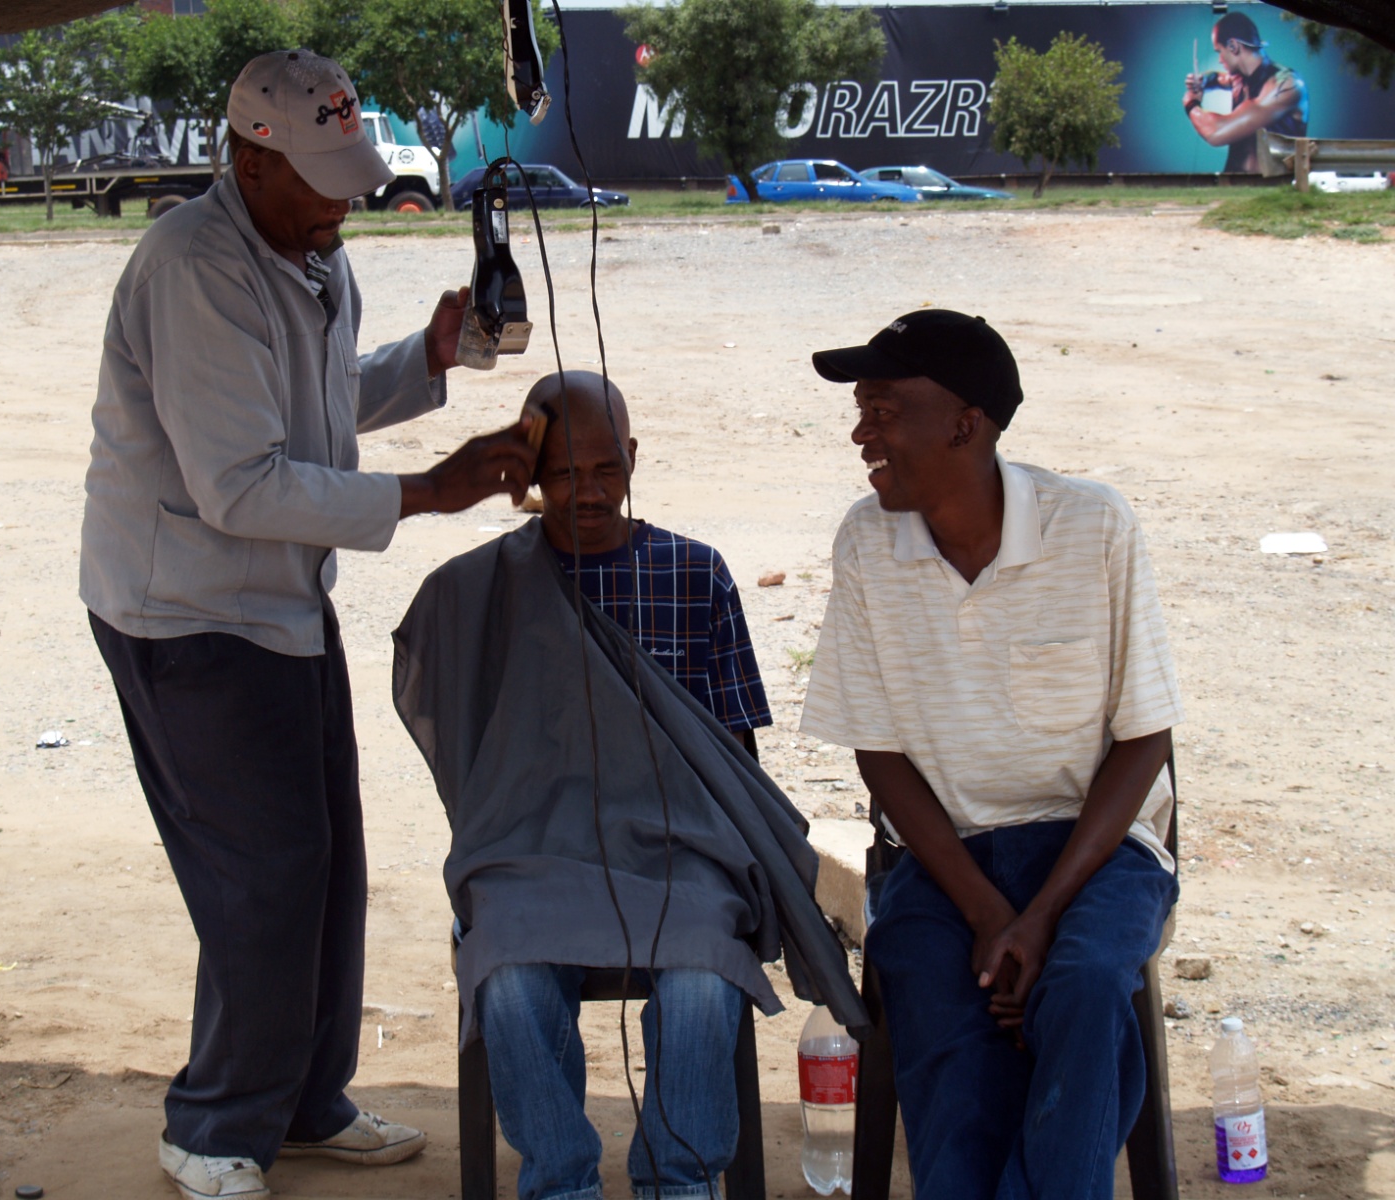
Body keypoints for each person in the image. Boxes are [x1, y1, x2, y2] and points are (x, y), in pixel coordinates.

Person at [79, 50, 535, 1200]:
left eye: (352, 176)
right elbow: (240, 483)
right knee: (262, 874)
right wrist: (428, 491)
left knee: (323, 857)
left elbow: (319, 414)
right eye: (320, 180)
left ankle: (303, 1101)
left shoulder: (313, 257)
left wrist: (428, 361)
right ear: (248, 157)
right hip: (186, 611)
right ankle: (215, 1123)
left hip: (280, 601)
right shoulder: (195, 269)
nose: (343, 201)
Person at [392, 371, 865, 1200]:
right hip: (531, 854)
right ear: (528, 476)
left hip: (682, 854)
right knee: (507, 981)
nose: (588, 492)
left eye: (607, 469)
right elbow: (461, 742)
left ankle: (679, 1181)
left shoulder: (694, 574)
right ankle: (560, 1181)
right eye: (566, 473)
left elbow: (732, 760)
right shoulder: (484, 590)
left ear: (635, 460)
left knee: (699, 985)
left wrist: (731, 866)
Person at [800, 310, 1183, 1200]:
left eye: (886, 410)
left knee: (1085, 988)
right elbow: (881, 756)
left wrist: (1040, 917)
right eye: (861, 410)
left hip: (1100, 852)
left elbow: (1145, 736)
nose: (863, 434)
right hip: (946, 862)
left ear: (966, 424)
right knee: (938, 1008)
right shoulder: (868, 541)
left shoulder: (1093, 526)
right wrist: (987, 914)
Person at [1183, 11, 1308, 173]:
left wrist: (1191, 103)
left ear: (1233, 46)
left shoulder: (1285, 85)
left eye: (1219, 51)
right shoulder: (1238, 78)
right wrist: (1203, 80)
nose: (1220, 59)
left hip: (1272, 188)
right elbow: (1217, 77)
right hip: (1231, 184)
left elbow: (1216, 131)